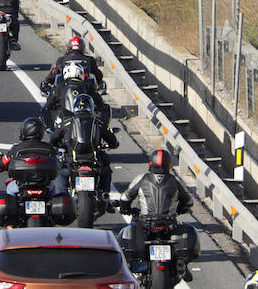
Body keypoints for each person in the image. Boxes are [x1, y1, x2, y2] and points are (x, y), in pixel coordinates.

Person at [119, 149, 196, 279]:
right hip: (169, 223)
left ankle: (138, 265)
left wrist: (125, 208)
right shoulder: (174, 181)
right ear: (168, 165)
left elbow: (125, 198)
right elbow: (188, 201)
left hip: (146, 222)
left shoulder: (142, 178)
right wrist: (181, 209)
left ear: (151, 164)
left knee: (132, 235)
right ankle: (181, 265)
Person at [50, 92, 118, 191]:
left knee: (63, 173)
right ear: (91, 107)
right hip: (94, 161)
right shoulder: (98, 122)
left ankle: (63, 196)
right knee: (106, 171)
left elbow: (53, 139)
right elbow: (111, 140)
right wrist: (113, 145)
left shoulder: (67, 122)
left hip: (72, 161)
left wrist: (58, 145)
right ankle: (105, 194)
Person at [40, 35, 106, 94]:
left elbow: (53, 73)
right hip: (85, 90)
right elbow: (98, 75)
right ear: (82, 48)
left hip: (65, 91)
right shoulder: (89, 59)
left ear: (69, 47)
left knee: (53, 99)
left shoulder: (62, 60)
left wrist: (46, 82)